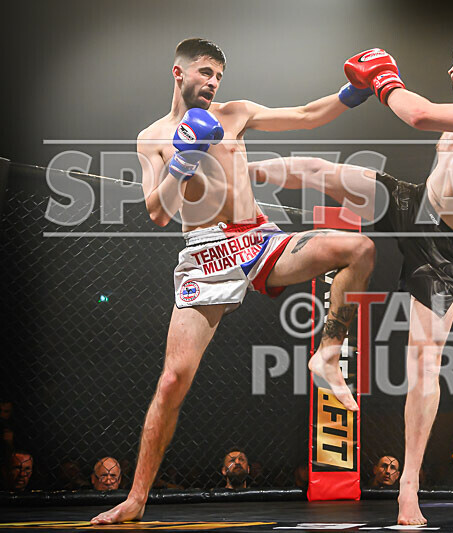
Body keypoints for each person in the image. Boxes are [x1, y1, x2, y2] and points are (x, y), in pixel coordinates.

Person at [249, 21, 453, 524]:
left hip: (446, 251)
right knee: (320, 171)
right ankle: (230, 173)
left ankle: (408, 491)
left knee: (423, 364)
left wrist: (383, 80)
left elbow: (416, 114)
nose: (450, 65)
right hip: (416, 204)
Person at [90, 38, 376, 525]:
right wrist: (181, 160)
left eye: (219, 75)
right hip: (204, 253)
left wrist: (355, 91)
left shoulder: (235, 113)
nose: (214, 82)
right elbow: (158, 213)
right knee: (172, 381)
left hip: (259, 240)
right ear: (178, 74)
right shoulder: (151, 137)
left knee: (359, 249)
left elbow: (307, 115)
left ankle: (328, 354)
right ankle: (136, 498)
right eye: (205, 72)